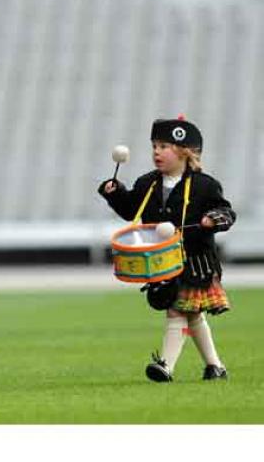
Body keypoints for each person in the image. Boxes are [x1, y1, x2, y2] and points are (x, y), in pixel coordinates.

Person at [99, 116, 235, 382]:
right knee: (191, 315)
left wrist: (213, 219)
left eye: (164, 146)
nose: (157, 152)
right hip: (164, 261)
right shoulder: (147, 182)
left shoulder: (204, 185)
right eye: (154, 146)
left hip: (195, 261)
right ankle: (215, 367)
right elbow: (130, 211)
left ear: (184, 152)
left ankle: (166, 366)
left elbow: (227, 212)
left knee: (176, 310)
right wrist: (115, 193)